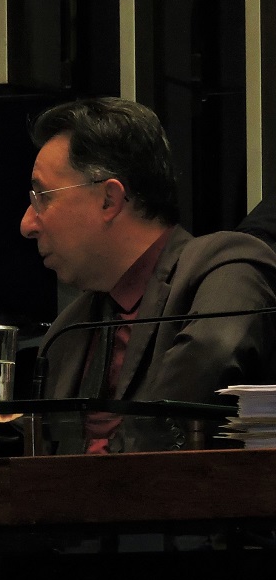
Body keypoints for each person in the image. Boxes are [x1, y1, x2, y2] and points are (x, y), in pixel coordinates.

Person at [20, 97, 276, 453]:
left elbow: (205, 364)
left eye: (43, 197)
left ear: (109, 199)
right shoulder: (67, 331)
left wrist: (102, 474)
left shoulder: (224, 265)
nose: (27, 224)